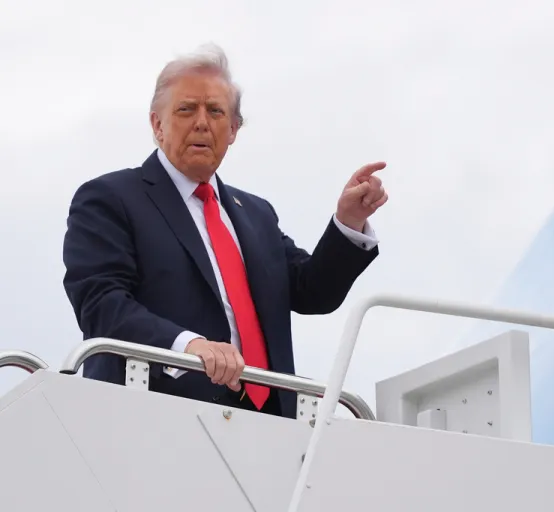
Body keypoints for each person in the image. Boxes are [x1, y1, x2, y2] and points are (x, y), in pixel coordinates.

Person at [61, 44, 387, 420]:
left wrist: (348, 223)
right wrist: (188, 346)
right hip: (153, 420)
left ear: (233, 130)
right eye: (186, 109)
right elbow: (100, 303)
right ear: (157, 124)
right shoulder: (110, 199)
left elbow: (313, 292)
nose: (202, 122)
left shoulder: (257, 215)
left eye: (216, 111)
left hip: (270, 426)